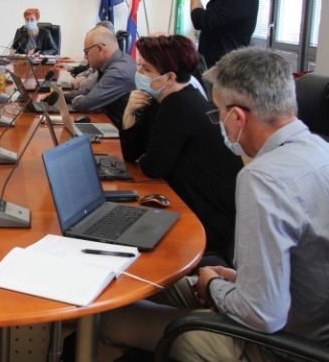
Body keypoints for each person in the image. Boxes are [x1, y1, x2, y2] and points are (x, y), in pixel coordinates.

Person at [97, 47, 329, 361]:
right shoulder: (320, 150)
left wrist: (213, 287)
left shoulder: (263, 178)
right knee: (144, 281)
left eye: (217, 112)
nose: (218, 121)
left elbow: (263, 315)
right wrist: (232, 282)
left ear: (238, 117)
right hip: (294, 313)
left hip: (277, 345)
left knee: (111, 320)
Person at [120, 35, 242, 261]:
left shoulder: (178, 106)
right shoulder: (165, 99)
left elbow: (152, 167)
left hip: (205, 221)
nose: (139, 74)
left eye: (147, 69)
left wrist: (145, 156)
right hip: (191, 204)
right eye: (139, 67)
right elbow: (132, 154)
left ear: (169, 77)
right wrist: (129, 114)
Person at [68, 25, 136, 127]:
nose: (85, 57)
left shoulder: (118, 71)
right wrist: (61, 96)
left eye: (86, 52)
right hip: (107, 122)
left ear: (99, 48)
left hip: (118, 131)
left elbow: (87, 104)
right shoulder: (111, 64)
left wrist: (75, 101)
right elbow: (87, 92)